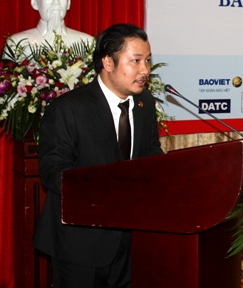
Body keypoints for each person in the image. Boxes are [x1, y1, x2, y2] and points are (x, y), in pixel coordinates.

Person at [33, 23, 165, 288]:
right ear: (107, 62)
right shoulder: (69, 108)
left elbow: (151, 155)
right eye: (136, 61)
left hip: (130, 239)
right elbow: (53, 171)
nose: (145, 70)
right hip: (80, 242)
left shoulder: (144, 104)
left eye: (148, 61)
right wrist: (109, 193)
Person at [7, 0, 94, 48]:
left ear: (68, 2)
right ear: (35, 2)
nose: (56, 2)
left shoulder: (87, 43)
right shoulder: (17, 44)